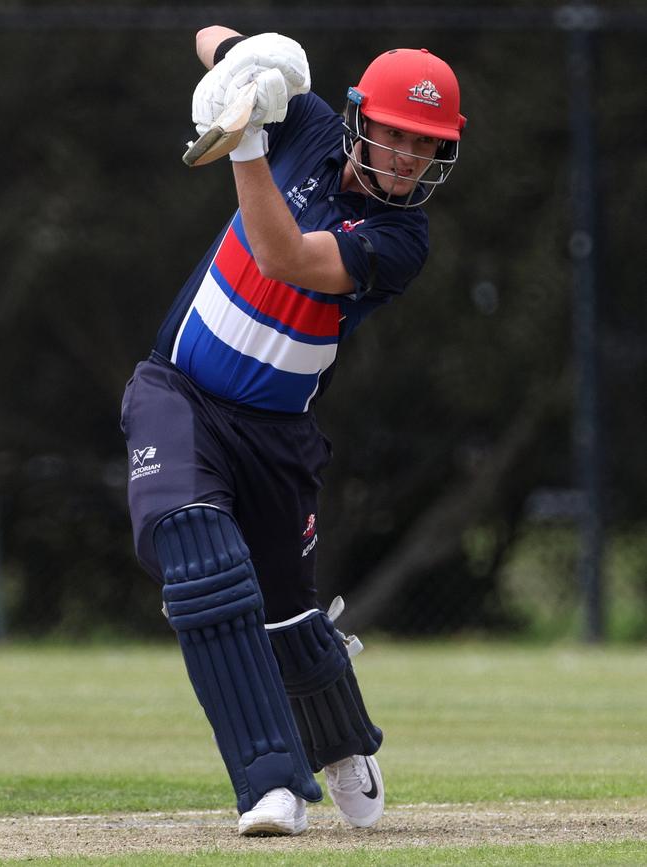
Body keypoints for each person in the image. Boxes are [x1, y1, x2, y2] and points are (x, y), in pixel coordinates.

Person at [121, 26, 465, 837]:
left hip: (277, 432)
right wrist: (248, 70)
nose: (410, 157)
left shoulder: (401, 239)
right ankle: (270, 784)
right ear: (358, 120)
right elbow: (209, 35)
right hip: (179, 394)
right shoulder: (306, 122)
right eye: (398, 135)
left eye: (429, 145)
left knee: (286, 616)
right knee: (202, 562)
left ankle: (342, 740)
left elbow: (280, 256)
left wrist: (242, 144)